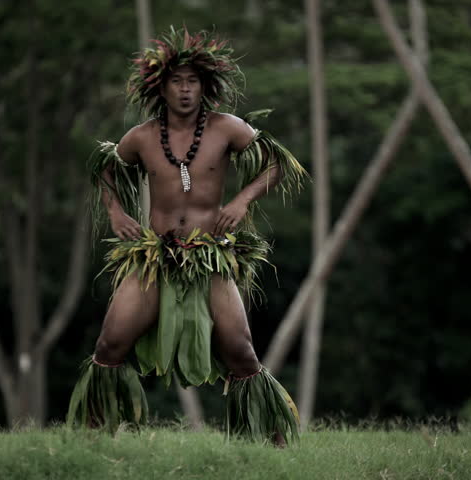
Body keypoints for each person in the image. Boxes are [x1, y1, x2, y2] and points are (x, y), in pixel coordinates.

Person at [67, 26, 307, 446]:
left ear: (204, 86)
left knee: (240, 349)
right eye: (175, 81)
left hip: (209, 255)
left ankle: (273, 443)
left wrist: (242, 201)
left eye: (192, 81)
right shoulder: (141, 137)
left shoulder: (226, 128)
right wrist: (115, 211)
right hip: (155, 257)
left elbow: (277, 164)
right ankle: (93, 442)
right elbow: (104, 169)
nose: (184, 90)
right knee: (110, 343)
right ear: (160, 88)